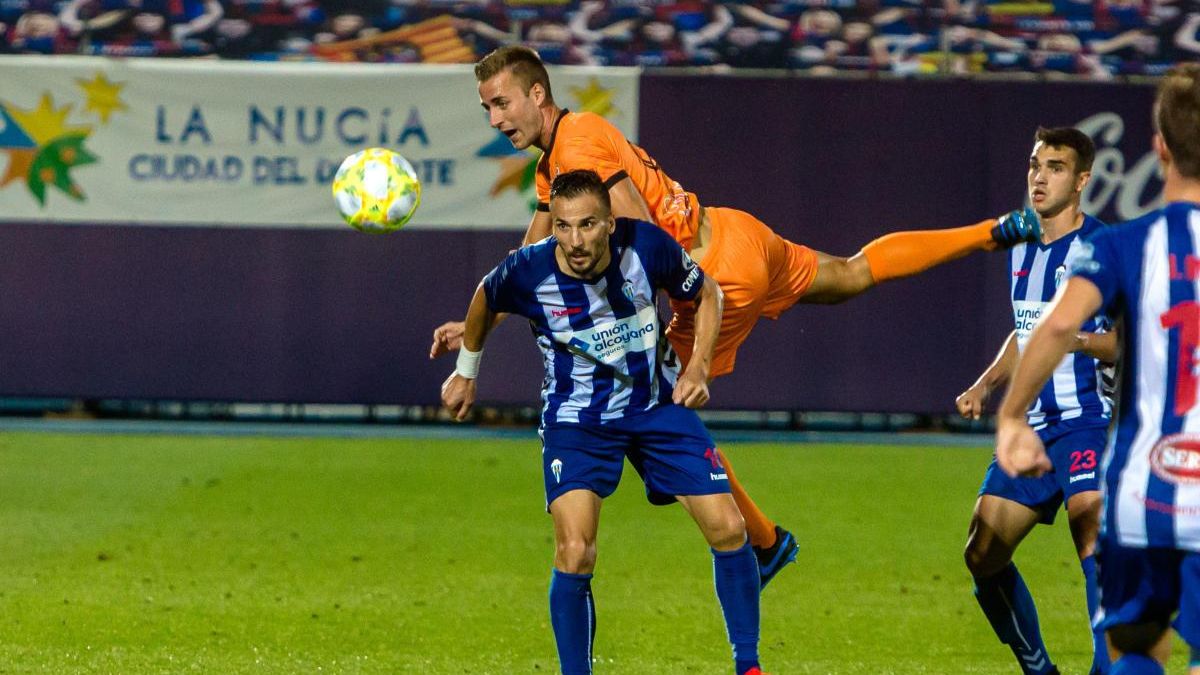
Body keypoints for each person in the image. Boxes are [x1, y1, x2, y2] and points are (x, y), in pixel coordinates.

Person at [431, 44, 1041, 587]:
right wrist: (483, 322)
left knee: (656, 412)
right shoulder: (556, 162)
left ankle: (765, 545)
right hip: (735, 230)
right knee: (852, 273)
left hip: (714, 277)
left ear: (537, 93)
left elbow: (637, 225)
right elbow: (528, 262)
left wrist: (644, 319)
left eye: (501, 103)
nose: (495, 119)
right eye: (487, 108)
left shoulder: (578, 145)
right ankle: (989, 233)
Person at [441, 169, 764, 675]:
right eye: (564, 226)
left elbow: (708, 294)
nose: (574, 240)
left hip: (655, 406)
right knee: (575, 550)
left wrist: (699, 364)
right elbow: (486, 296)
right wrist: (466, 373)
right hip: (577, 421)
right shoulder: (528, 270)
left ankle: (749, 667)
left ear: (610, 223)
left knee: (728, 527)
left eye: (587, 225)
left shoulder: (646, 248)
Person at [996, 64, 1200, 675]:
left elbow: (1057, 326)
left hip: (1143, 489)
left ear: (1159, 147)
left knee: (1136, 649)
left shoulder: (1119, 246)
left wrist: (1011, 416)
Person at [956, 127, 1117, 675]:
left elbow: (1125, 340)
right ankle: (1038, 667)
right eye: (1034, 165)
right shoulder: (1022, 245)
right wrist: (986, 383)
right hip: (1033, 426)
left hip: (1088, 421)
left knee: (1088, 519)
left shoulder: (1102, 248)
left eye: (1054, 167)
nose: (1039, 177)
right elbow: (1025, 330)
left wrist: (1074, 340)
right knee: (982, 552)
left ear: (1082, 181)